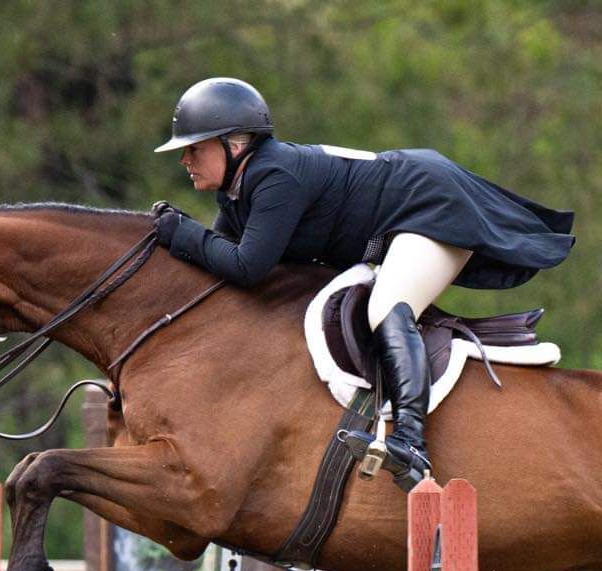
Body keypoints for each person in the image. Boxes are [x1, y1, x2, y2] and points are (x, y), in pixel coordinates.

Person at [153, 77, 574, 490]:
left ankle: (411, 442)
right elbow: (224, 261)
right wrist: (184, 239)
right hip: (399, 216)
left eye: (195, 148)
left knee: (386, 306)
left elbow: (248, 266)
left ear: (236, 144)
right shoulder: (236, 190)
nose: (185, 159)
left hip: (428, 206)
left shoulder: (274, 176)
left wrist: (185, 233)